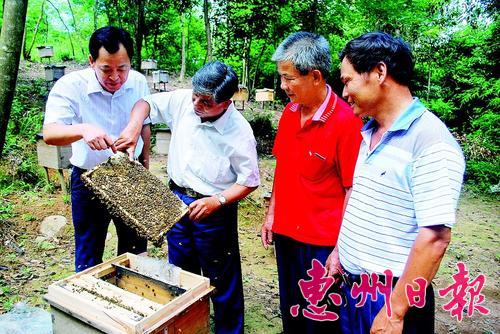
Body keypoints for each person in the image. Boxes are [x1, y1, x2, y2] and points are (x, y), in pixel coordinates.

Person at [325, 32, 466, 334]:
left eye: (347, 81)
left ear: (379, 72)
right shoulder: (369, 132)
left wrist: (395, 312)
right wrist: (340, 252)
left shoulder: (431, 142)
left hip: (392, 296)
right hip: (354, 287)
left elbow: (436, 237)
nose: (344, 92)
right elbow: (363, 200)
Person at [115, 60, 260, 334]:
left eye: (205, 101)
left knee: (221, 274)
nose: (196, 104)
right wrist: (135, 127)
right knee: (181, 270)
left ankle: (230, 330)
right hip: (176, 199)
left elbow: (249, 180)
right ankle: (188, 325)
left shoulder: (239, 133)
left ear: (226, 103)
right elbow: (145, 104)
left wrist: (217, 201)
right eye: (195, 95)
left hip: (215, 208)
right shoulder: (184, 101)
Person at [260, 31, 363, 333]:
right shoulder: (290, 113)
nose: (282, 87)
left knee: (321, 316)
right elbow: (283, 167)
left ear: (315, 76)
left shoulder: (346, 122)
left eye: (289, 79)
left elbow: (351, 189)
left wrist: (340, 249)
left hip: (322, 243)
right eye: (281, 77)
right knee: (292, 309)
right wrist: (271, 214)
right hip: (287, 235)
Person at [43, 26, 150, 272]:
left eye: (122, 68)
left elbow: (145, 125)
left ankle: (133, 303)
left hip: (131, 176)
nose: (116, 77)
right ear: (92, 61)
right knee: (89, 253)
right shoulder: (70, 85)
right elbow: (50, 133)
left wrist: (145, 163)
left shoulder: (139, 82)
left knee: (135, 251)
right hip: (89, 177)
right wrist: (83, 129)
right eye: (106, 69)